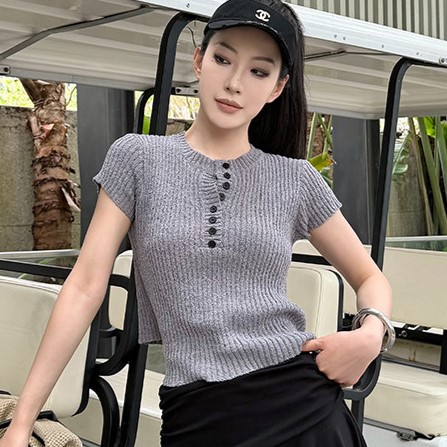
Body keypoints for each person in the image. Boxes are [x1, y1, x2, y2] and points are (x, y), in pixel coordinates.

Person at [0, 0, 393, 445]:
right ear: (199, 60)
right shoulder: (137, 159)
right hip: (196, 410)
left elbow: (370, 277)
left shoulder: (295, 179)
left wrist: (369, 335)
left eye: (258, 71)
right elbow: (85, 287)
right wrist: (21, 422)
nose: (235, 83)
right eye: (223, 59)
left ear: (278, 87)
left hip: (303, 406)